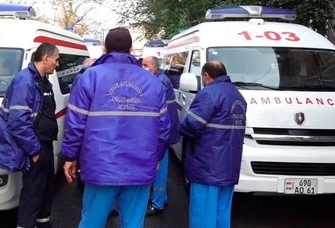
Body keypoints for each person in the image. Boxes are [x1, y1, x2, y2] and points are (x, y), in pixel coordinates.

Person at [61, 27, 171, 228]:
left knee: (92, 222)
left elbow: (75, 124)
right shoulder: (153, 82)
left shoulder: (90, 77)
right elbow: (164, 128)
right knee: (133, 223)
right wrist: (157, 156)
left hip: (101, 165)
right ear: (130, 49)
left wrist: (70, 156)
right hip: (140, 164)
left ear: (105, 48)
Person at [0, 42, 60, 228]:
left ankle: (42, 221)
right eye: (56, 59)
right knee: (32, 191)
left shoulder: (42, 80)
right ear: (45, 58)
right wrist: (34, 150)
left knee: (45, 187)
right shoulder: (25, 81)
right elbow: (18, 122)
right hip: (35, 145)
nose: (58, 63)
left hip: (44, 144)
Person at [178, 61, 247, 228]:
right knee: (221, 214)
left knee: (203, 215)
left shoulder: (209, 94)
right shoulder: (237, 96)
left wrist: (178, 126)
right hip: (229, 166)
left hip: (207, 166)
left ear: (206, 76)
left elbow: (192, 125)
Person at [141, 56, 180, 216]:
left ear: (155, 68)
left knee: (159, 170)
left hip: (161, 134)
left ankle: (157, 203)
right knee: (161, 168)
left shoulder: (159, 83)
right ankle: (161, 198)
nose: (142, 67)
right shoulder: (160, 79)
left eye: (145, 65)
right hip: (164, 132)